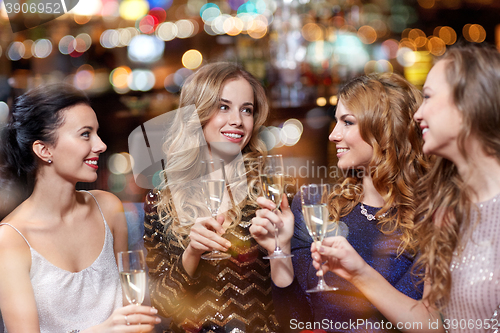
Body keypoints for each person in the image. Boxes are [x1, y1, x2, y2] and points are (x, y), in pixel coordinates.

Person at [311, 44, 500, 333]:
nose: (416, 114)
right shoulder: (450, 210)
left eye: (428, 98)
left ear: (469, 105)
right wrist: (359, 273)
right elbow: (435, 325)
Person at [250, 72, 429, 332]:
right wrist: (278, 250)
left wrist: (360, 274)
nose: (333, 135)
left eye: (347, 122)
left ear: (386, 128)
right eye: (336, 122)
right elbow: (293, 320)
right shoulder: (314, 206)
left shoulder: (432, 217)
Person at [0, 84, 159, 333]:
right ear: (44, 149)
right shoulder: (10, 239)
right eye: (86, 134)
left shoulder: (108, 208)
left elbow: (134, 315)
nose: (101, 145)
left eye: (97, 132)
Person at [143, 62, 281, 332]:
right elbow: (163, 305)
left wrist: (280, 247)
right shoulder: (161, 201)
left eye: (247, 110)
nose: (238, 121)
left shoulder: (269, 194)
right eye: (223, 107)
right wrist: (192, 253)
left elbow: (294, 290)